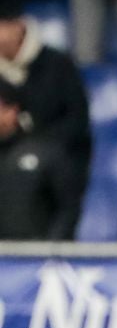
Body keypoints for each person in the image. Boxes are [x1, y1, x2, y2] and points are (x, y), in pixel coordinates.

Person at [0, 0, 91, 240]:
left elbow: (77, 121)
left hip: (55, 177)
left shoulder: (57, 65)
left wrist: (39, 147)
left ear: (17, 26)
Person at [0, 79, 70, 241]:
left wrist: (52, 249)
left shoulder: (45, 152)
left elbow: (66, 207)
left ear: (13, 111)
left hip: (34, 257)